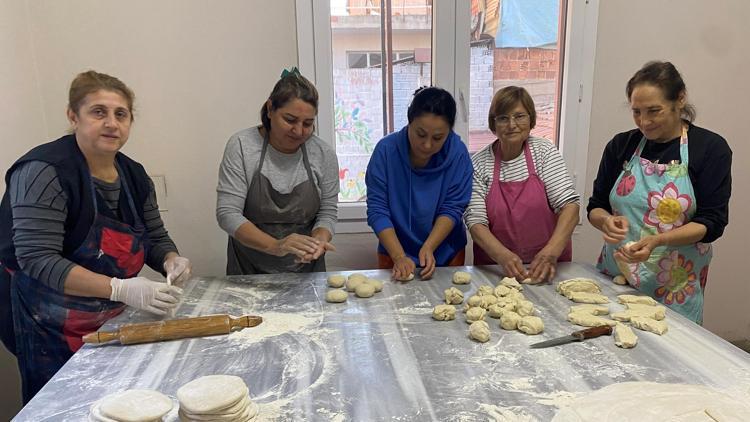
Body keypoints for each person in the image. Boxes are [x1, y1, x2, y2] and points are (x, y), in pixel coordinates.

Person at [0, 70, 191, 403]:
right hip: (45, 318)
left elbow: (152, 236)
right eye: (98, 112)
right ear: (73, 116)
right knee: (67, 404)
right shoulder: (44, 171)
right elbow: (36, 259)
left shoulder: (133, 175)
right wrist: (120, 287)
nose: (111, 123)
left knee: (114, 400)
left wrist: (171, 260)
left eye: (121, 114)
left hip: (107, 314)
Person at [588, 61, 732, 324]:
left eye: (654, 111)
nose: (645, 122)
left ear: (680, 99)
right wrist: (606, 221)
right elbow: (595, 206)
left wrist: (657, 241)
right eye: (636, 112)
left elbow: (712, 223)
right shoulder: (622, 145)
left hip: (675, 287)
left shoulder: (710, 149)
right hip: (617, 276)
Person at [216, 68, 339, 274]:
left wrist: (318, 240)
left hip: (306, 273)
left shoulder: (323, 154)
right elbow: (228, 214)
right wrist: (276, 245)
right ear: (270, 109)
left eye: (308, 123)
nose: (299, 131)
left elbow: (327, 212)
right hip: (248, 271)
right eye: (290, 120)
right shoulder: (242, 146)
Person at [465, 86, 580, 283]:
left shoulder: (544, 152)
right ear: (493, 123)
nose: (512, 125)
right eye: (503, 118)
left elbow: (569, 206)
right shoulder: (480, 163)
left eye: (519, 116)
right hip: (497, 269)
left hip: (548, 266)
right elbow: (475, 222)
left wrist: (550, 253)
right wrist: (503, 257)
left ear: (531, 119)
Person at [366, 87, 472, 281]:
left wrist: (429, 247)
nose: (427, 145)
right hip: (394, 249)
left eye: (438, 138)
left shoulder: (458, 154)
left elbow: (453, 208)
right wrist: (399, 255)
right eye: (420, 134)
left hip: (446, 251)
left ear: (449, 131)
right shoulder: (386, 151)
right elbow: (377, 209)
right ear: (409, 121)